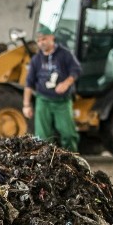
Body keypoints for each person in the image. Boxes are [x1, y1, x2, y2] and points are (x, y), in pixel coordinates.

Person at [22, 24, 82, 152]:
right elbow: (29, 83)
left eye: (44, 39)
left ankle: (73, 160)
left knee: (68, 134)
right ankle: (47, 163)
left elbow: (76, 70)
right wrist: (26, 105)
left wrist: (66, 83)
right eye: (38, 40)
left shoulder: (65, 54)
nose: (41, 43)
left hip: (62, 101)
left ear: (52, 38)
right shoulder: (36, 60)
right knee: (43, 137)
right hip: (43, 100)